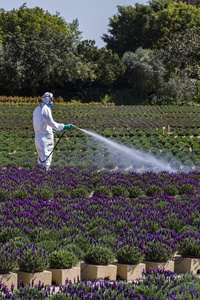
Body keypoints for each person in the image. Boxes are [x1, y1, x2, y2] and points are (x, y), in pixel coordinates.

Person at [33, 92, 72, 170]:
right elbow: (51, 122)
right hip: (45, 138)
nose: (52, 101)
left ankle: (39, 174)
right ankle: (44, 177)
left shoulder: (37, 109)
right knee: (46, 158)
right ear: (48, 99)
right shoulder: (46, 109)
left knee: (41, 158)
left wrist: (50, 130)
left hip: (38, 137)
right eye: (52, 99)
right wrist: (63, 126)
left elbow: (41, 123)